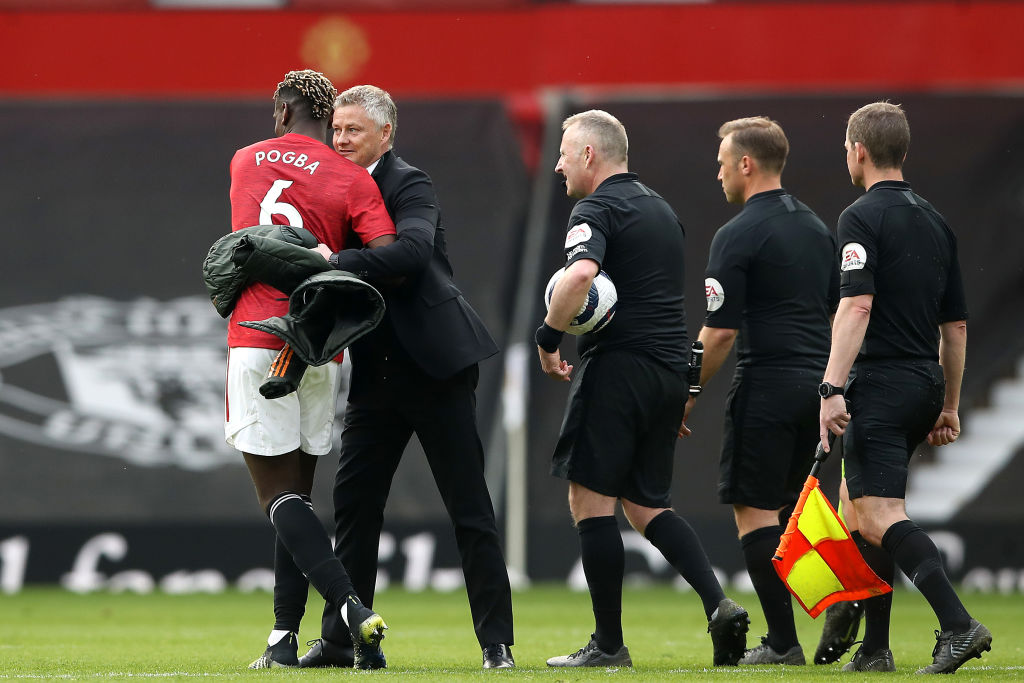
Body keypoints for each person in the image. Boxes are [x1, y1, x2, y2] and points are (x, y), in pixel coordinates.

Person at [287, 84, 515, 670]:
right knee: (356, 510)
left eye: (353, 131)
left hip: (436, 365)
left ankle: (496, 645)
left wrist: (331, 260)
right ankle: (346, 643)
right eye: (336, 130)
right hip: (376, 373)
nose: (340, 140)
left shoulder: (409, 182)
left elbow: (411, 255)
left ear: (386, 134)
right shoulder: (330, 186)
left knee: (469, 509)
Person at [535, 109, 749, 668]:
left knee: (589, 500)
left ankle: (608, 645)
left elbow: (581, 277)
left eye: (563, 151)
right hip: (669, 371)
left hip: (619, 368)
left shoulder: (595, 207)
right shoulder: (661, 209)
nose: (557, 164)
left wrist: (548, 337)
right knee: (646, 503)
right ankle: (719, 603)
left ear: (589, 155)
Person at [226, 69, 396, 669]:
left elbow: (244, 243)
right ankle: (281, 639)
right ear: (328, 120)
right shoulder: (351, 178)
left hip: (258, 336)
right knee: (298, 495)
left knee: (277, 498)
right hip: (321, 347)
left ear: (280, 111)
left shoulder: (245, 162)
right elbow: (384, 255)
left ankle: (351, 609)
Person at [819, 101, 992, 674]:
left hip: (881, 381)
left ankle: (959, 624)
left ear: (859, 151)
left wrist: (830, 388)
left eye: (847, 148)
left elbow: (856, 305)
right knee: (857, 510)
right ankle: (874, 649)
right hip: (922, 381)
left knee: (877, 513)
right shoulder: (935, 221)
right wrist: (948, 404)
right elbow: (957, 327)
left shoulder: (859, 218)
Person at [681, 117, 838, 666]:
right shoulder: (819, 229)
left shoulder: (738, 233)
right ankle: (838, 597)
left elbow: (720, 330)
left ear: (746, 164)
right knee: (800, 514)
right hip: (817, 387)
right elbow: (839, 311)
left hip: (767, 384)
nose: (718, 171)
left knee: (755, 515)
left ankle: (782, 643)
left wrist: (689, 389)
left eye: (723, 161)